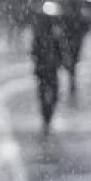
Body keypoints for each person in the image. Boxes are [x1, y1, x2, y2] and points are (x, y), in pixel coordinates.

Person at [31, 7, 65, 136]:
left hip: (51, 69)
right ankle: (46, 115)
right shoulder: (39, 34)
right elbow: (34, 52)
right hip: (44, 70)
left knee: (54, 93)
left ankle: (48, 114)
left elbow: (61, 49)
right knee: (44, 93)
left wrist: (60, 61)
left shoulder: (56, 33)